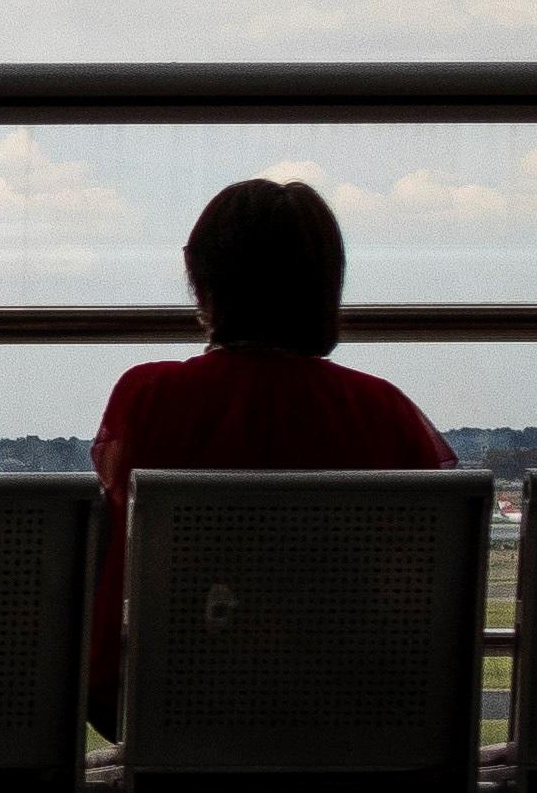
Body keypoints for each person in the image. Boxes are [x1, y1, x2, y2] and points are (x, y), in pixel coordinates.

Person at [86, 178, 451, 727]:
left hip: (178, 713)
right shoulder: (384, 411)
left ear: (201, 277)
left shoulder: (149, 398)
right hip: (350, 721)